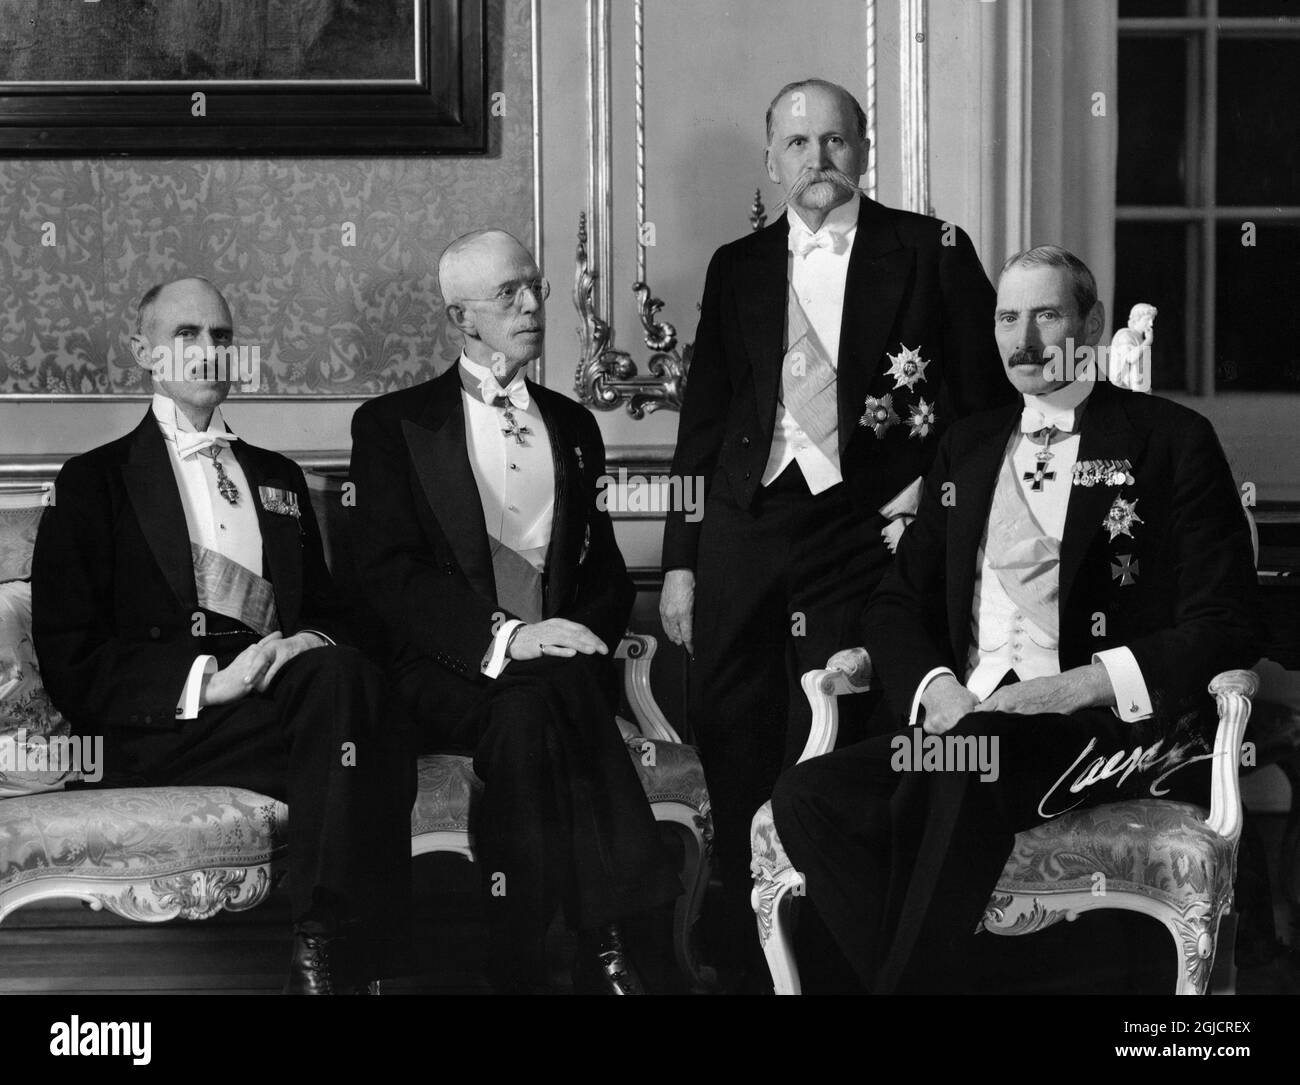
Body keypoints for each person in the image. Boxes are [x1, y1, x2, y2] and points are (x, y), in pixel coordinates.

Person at [771, 246, 1261, 992]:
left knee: (971, 758)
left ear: (1090, 324)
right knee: (809, 795)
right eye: (1007, 317)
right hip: (962, 733)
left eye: (1046, 315)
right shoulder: (966, 448)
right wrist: (936, 687)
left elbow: (1224, 623)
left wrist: (1074, 687)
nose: (1024, 340)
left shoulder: (1172, 441)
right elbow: (894, 602)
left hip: (1101, 739)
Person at [658, 77, 1014, 974]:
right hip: (747, 518)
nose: (818, 160)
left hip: (869, 528)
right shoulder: (736, 265)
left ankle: (837, 947)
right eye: (798, 143)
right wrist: (680, 562)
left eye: (836, 141)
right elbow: (701, 425)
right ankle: (746, 948)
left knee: (847, 719)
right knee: (732, 718)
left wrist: (927, 500)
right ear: (771, 157)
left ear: (865, 148)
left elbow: (982, 411)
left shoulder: (931, 250)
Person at [31, 276, 414, 994]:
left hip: (290, 707)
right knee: (355, 713)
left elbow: (332, 611)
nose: (210, 352)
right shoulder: (92, 483)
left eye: (223, 338)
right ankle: (352, 962)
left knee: (351, 682)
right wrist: (211, 681)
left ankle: (327, 955)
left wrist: (310, 642)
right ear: (145, 352)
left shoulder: (280, 476)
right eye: (187, 335)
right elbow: (71, 661)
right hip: (171, 727)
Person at [349, 229, 680, 994]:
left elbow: (601, 572)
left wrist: (574, 640)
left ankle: (520, 967)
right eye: (509, 294)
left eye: (535, 287)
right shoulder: (392, 425)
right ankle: (613, 947)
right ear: (461, 318)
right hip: (446, 673)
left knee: (534, 710)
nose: (533, 304)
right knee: (538, 699)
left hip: (553, 680)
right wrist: (510, 638)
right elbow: (388, 578)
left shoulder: (575, 425)